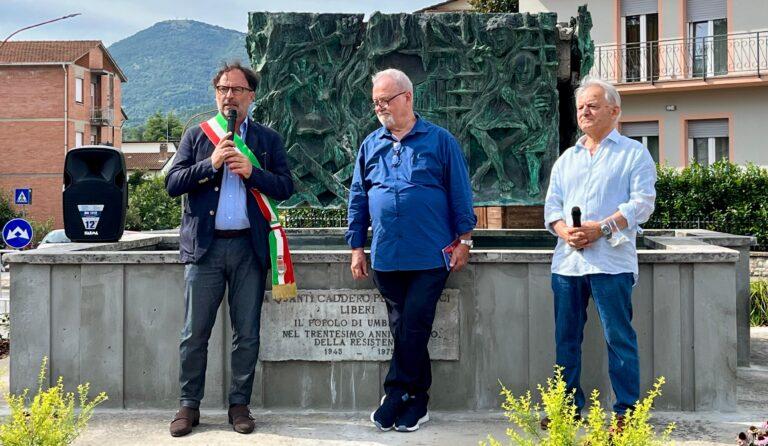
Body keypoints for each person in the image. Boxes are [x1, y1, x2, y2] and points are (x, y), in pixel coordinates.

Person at [165, 61, 294, 437]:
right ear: (216, 94)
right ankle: (189, 406)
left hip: (248, 250)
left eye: (236, 89)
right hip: (204, 250)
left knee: (247, 333)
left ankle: (239, 404)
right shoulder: (197, 136)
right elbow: (173, 183)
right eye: (223, 89)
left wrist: (253, 173)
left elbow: (286, 186)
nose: (229, 96)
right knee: (194, 333)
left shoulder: (267, 140)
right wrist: (211, 164)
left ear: (251, 96)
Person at [346, 68, 477, 432]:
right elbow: (358, 198)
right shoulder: (370, 145)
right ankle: (417, 400)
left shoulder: (440, 141)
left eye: (385, 100)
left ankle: (394, 393)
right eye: (375, 102)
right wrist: (357, 246)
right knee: (403, 326)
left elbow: (460, 193)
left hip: (430, 254)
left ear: (407, 97)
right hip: (386, 254)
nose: (380, 108)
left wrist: (465, 240)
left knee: (415, 321)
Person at [543, 76, 656, 431]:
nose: (585, 112)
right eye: (580, 107)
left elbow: (643, 204)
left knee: (619, 338)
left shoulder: (633, 153)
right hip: (568, 263)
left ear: (614, 110)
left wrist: (601, 228)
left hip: (611, 262)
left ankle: (626, 413)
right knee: (566, 340)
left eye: (592, 105)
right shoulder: (566, 159)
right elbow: (552, 209)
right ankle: (567, 407)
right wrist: (566, 232)